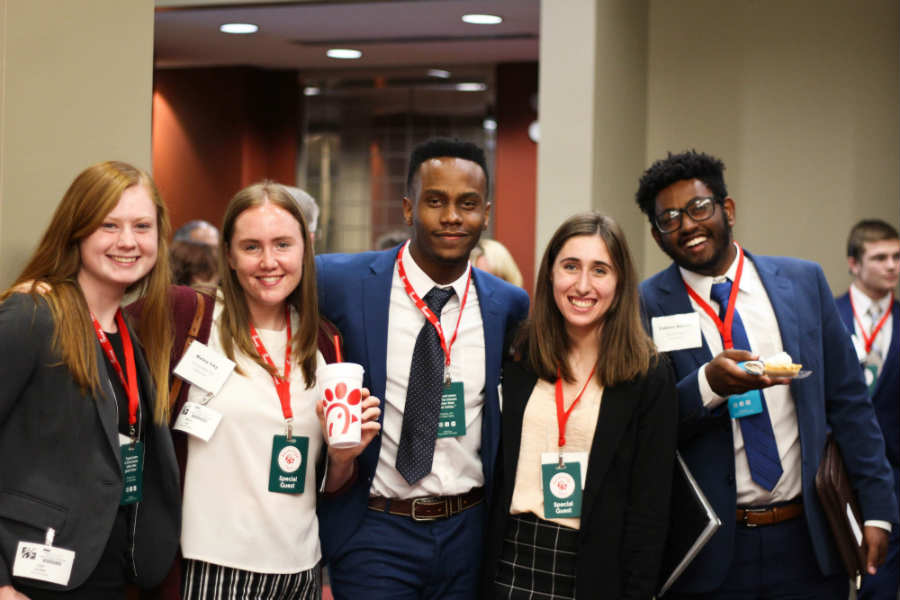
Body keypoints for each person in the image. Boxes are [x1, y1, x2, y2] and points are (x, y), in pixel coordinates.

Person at [635, 150, 898, 599]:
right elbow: (643, 424)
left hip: (808, 539)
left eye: (699, 208)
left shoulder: (802, 283)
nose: (687, 225)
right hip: (710, 548)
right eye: (669, 218)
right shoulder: (644, 305)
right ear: (658, 235)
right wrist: (707, 387)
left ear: (727, 209)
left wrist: (877, 510)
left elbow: (850, 404)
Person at [315, 138, 530, 599]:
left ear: (486, 213)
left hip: (468, 532)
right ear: (409, 209)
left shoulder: (507, 305)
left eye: (468, 204)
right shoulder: (341, 282)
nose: (452, 216)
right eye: (436, 201)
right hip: (376, 529)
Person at [156, 182, 380, 600]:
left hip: (300, 569)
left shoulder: (325, 342)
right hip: (208, 566)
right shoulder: (191, 316)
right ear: (228, 254)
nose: (269, 262)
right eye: (251, 247)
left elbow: (329, 484)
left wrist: (343, 457)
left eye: (282, 244)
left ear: (305, 248)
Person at [0, 161, 180, 599]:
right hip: (29, 577)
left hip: (107, 572)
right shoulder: (33, 315)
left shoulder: (130, 335)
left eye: (142, 226)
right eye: (108, 225)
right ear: (76, 230)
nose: (127, 241)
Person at [482, 213, 677, 599]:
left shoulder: (648, 375)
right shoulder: (518, 354)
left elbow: (649, 511)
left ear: (620, 282)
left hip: (595, 569)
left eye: (600, 270)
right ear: (550, 273)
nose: (583, 285)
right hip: (509, 559)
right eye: (570, 267)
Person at [836, 219, 900, 600]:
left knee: (880, 586)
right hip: (835, 472)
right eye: (880, 258)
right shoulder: (827, 314)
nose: (892, 265)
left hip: (894, 477)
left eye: (896, 257)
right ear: (854, 263)